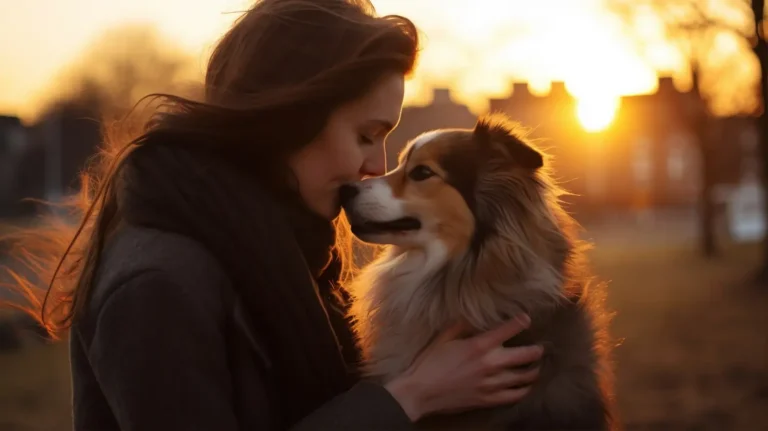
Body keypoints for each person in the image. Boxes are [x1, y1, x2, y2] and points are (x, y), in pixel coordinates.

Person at [5, 0, 544, 430]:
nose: (374, 166)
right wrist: (408, 397)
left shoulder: (286, 247)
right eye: (366, 135)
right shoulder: (158, 285)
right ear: (291, 117)